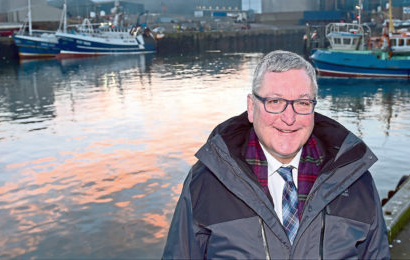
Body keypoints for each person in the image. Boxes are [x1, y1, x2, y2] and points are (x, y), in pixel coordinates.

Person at [163, 50, 390, 259]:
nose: (289, 118)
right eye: (275, 102)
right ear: (251, 108)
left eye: (302, 102)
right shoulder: (205, 182)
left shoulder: (356, 181)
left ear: (313, 108)